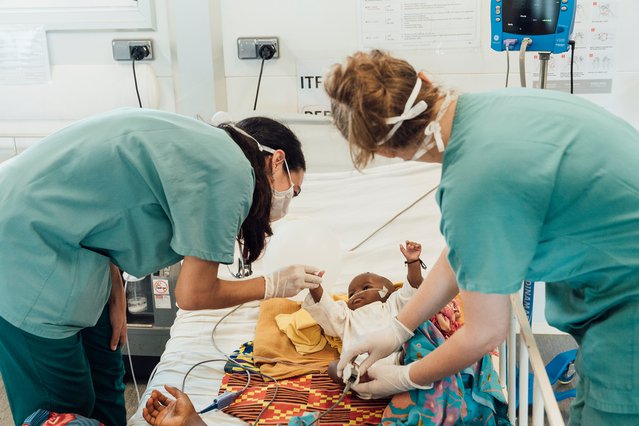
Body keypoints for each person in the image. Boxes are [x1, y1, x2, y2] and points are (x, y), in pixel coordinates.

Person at [324, 50, 639, 425]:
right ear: (423, 79)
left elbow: (484, 333)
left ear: (384, 151)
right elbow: (466, 252)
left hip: (627, 312)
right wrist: (398, 328)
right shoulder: (500, 106)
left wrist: (407, 376)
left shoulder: (473, 182)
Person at [0, 108, 323, 426]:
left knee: (107, 377)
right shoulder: (231, 172)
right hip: (23, 247)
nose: (285, 200)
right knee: (62, 406)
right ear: (277, 160)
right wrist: (274, 285)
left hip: (76, 246)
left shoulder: (202, 146)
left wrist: (114, 287)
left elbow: (98, 204)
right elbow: (194, 295)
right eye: (292, 189)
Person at [303, 241, 427, 390]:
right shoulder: (347, 316)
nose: (356, 294)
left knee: (419, 348)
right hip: (361, 366)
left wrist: (413, 262)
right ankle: (361, 378)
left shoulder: (393, 303)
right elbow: (327, 309)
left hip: (398, 359)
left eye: (366, 287)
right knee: (334, 368)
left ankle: (406, 369)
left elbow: (412, 287)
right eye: (351, 293)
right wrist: (315, 286)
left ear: (386, 292)